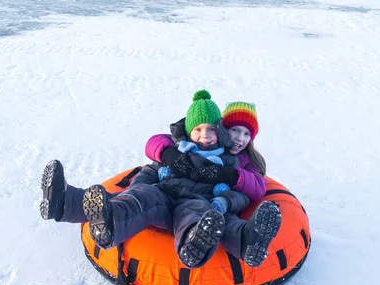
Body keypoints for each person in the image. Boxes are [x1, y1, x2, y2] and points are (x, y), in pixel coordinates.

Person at [41, 90, 251, 269]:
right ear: (189, 130)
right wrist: (139, 185)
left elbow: (241, 191)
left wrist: (224, 200)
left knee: (195, 212)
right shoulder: (178, 150)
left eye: (211, 130)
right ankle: (73, 207)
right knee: (140, 197)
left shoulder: (228, 161)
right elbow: (153, 166)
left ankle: (194, 242)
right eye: (198, 129)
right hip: (164, 193)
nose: (205, 135)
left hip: (198, 200)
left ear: (220, 132)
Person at [144, 101, 281, 267]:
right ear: (222, 129)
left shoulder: (248, 160)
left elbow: (258, 187)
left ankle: (250, 241)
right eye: (235, 130)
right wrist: (168, 153)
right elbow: (156, 141)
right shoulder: (207, 141)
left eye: (247, 134)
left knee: (225, 220)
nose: (240, 138)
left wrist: (230, 175)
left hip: (223, 201)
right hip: (185, 196)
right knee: (191, 211)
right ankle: (195, 236)